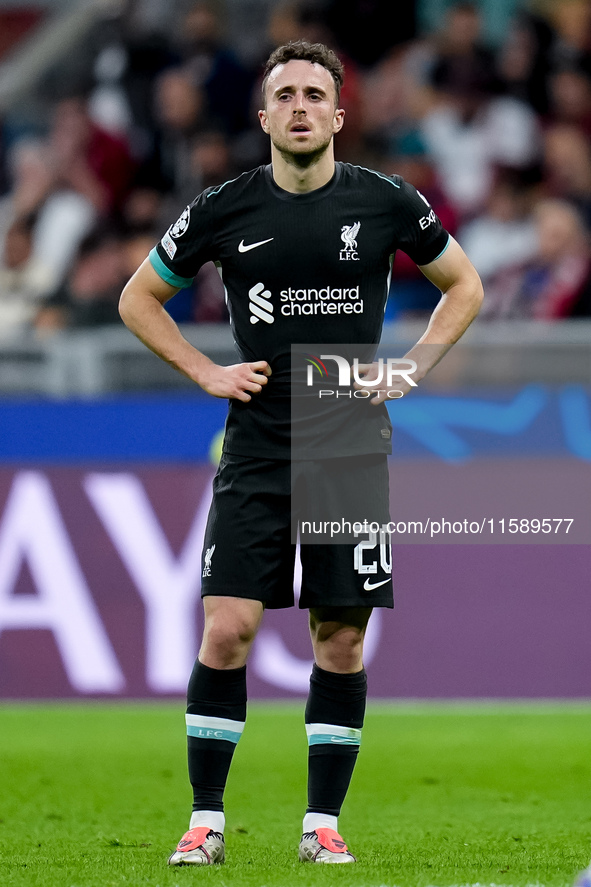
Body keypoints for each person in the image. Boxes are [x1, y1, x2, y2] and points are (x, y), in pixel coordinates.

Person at [119, 40, 483, 866]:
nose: (298, 106)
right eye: (283, 93)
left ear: (337, 113)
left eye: (314, 94)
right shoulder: (222, 208)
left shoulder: (387, 201)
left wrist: (414, 365)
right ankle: (205, 821)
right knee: (227, 628)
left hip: (347, 437)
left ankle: (321, 825)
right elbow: (137, 297)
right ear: (263, 115)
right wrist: (205, 369)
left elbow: (464, 284)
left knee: (339, 639)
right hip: (255, 442)